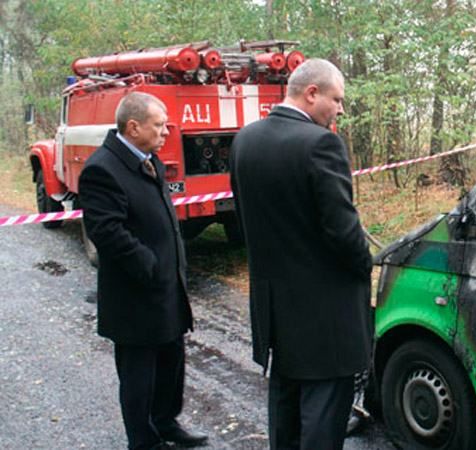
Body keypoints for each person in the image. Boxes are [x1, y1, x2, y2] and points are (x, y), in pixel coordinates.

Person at [229, 59, 373, 450]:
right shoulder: (321, 144)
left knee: (286, 419)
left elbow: (244, 220)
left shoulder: (245, 139)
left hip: (277, 316)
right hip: (326, 320)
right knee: (322, 425)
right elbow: (344, 234)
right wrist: (367, 265)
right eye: (337, 99)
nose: (340, 109)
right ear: (312, 93)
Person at [78, 92, 207, 450]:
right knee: (140, 376)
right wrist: (149, 265)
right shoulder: (102, 169)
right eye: (159, 125)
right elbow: (106, 231)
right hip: (135, 295)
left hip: (167, 287)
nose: (166, 132)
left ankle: (166, 423)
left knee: (171, 364)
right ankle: (144, 441)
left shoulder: (152, 161)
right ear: (133, 127)